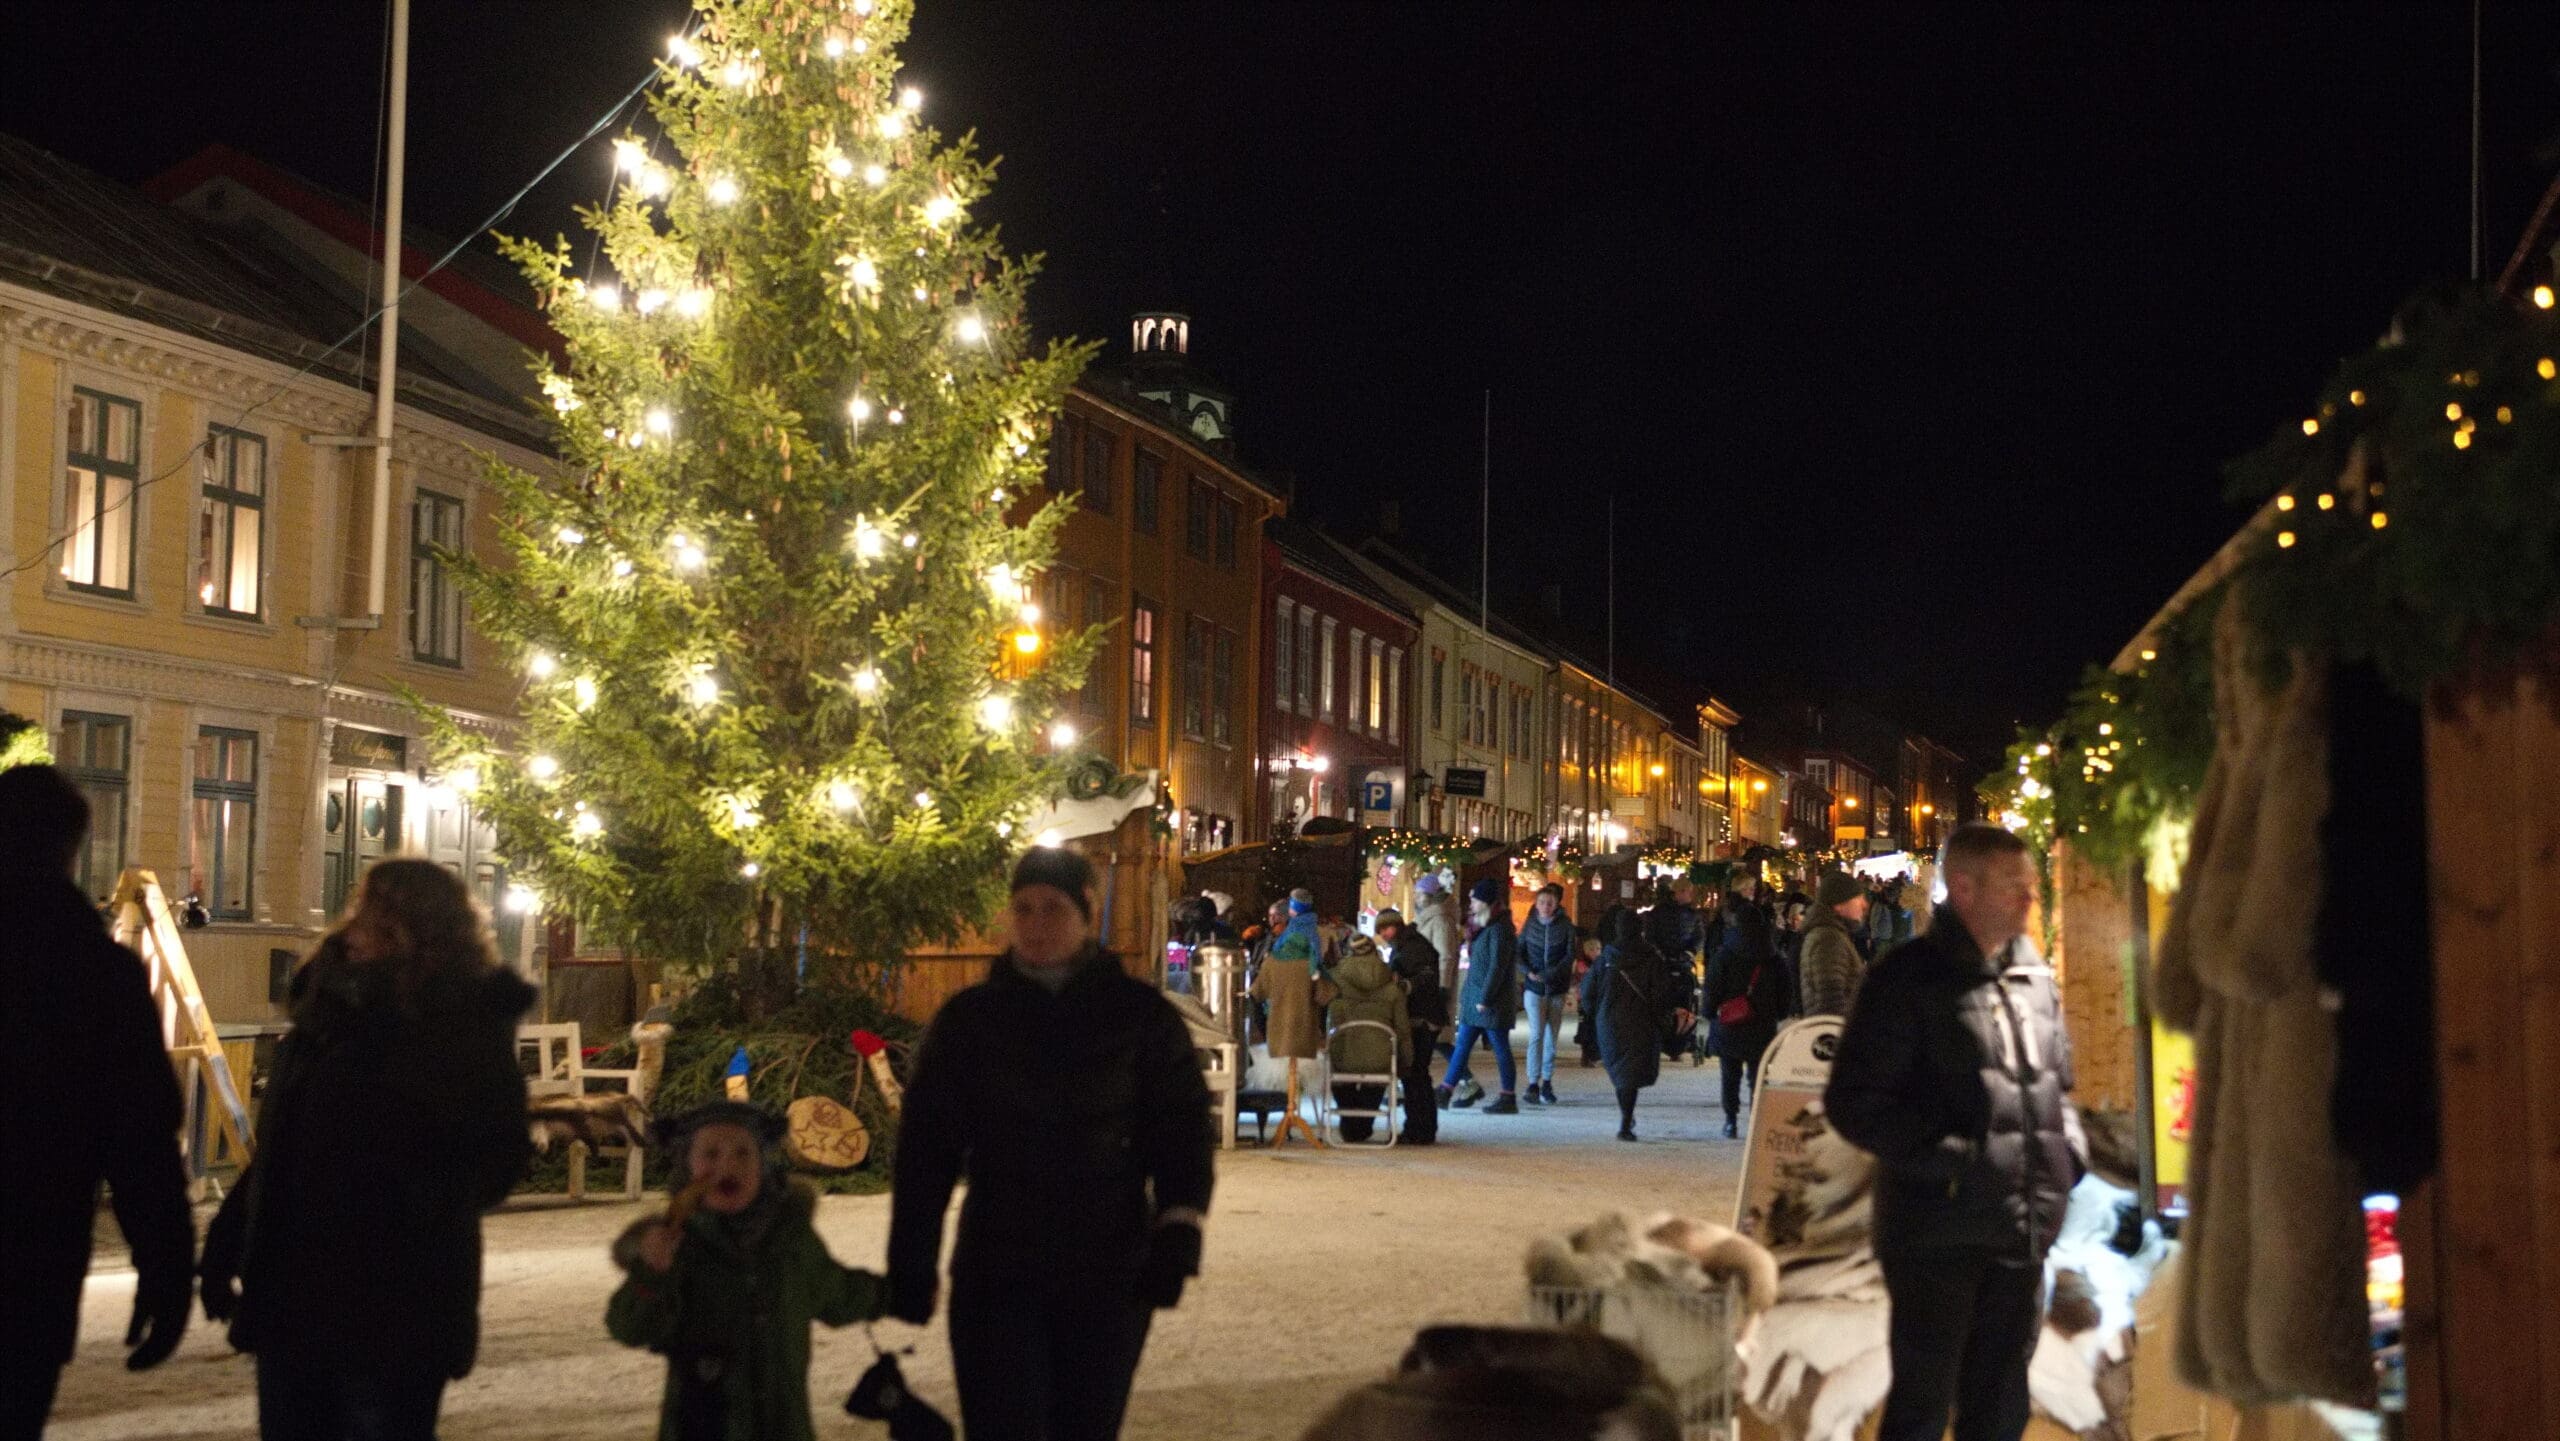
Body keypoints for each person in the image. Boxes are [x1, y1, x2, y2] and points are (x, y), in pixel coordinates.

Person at [200, 859, 534, 1440]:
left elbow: (497, 1157)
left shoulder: (462, 1026)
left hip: (399, 1305)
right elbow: (284, 1149)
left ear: (414, 931)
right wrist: (228, 1242)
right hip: (297, 1298)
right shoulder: (326, 1015)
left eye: (371, 915)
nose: (351, 928)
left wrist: (403, 1203)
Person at [888, 847, 1214, 1441]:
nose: (1036, 924)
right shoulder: (971, 1020)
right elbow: (926, 1148)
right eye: (1024, 908)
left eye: (1053, 908)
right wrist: (911, 1256)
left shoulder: (1138, 1017)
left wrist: (1179, 1228)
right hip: (999, 1264)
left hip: (1108, 1264)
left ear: (1088, 911)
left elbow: (1181, 1129)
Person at [1825, 824, 2086, 1441]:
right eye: (2014, 886)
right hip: (1935, 1232)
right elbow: (1855, 1101)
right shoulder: (1906, 979)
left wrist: (2064, 1157)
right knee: (1923, 1406)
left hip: (2020, 1227)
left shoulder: (2034, 978)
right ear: (1963, 887)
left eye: (2031, 886)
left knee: (1999, 1410)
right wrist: (1952, 1160)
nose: (2029, 898)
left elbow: (2057, 1087)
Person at [0, 765, 193, 1440]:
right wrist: (166, 1265)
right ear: (71, 847)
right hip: (30, 1259)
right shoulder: (92, 969)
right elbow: (140, 1132)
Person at [608, 1103, 884, 1440]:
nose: (727, 1164)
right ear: (687, 1168)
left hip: (783, 1426)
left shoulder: (790, 1239)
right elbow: (630, 1328)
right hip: (704, 1426)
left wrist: (898, 1293)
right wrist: (651, 1273)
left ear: (762, 1167)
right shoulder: (680, 1246)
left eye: (743, 1153)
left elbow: (837, 1291)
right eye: (711, 1153)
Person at [1588, 905, 1690, 1142]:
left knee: (1621, 1071)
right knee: (1630, 1072)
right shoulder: (1652, 957)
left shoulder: (1605, 959)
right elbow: (1663, 993)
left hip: (1610, 1022)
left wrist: (1597, 1013)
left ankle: (1626, 1118)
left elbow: (1588, 991)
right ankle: (1626, 1119)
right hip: (1642, 1022)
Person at [1702, 891, 1787, 1139]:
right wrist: (1779, 1012)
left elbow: (1712, 987)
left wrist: (1709, 1013)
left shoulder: (1725, 954)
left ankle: (1730, 1120)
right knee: (1758, 1075)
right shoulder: (1773, 956)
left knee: (1730, 1075)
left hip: (1730, 1023)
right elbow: (1785, 988)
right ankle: (1756, 1119)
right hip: (1762, 1023)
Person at [1436, 877, 1519, 1114]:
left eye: (1474, 899)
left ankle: (1508, 1096)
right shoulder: (1484, 926)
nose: (1470, 903)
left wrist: (1485, 998)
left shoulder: (1500, 929)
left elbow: (1497, 967)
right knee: (1461, 1046)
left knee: (1501, 1047)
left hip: (1490, 1002)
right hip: (1475, 1000)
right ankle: (1445, 1090)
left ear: (1485, 901)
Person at [1320, 934, 1411, 1141]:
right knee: (1376, 1076)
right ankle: (1362, 1123)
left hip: (1343, 1055)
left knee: (1340, 1075)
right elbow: (1403, 1030)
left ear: (1348, 953)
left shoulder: (1333, 982)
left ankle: (1350, 1121)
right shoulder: (1392, 987)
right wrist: (1406, 1060)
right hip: (1379, 1058)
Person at [1371, 908, 1443, 1145]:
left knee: (1416, 1075)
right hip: (1423, 1016)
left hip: (1422, 1018)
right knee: (1416, 1075)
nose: (1382, 935)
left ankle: (1420, 1129)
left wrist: (1403, 986)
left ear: (1393, 926)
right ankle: (1421, 1128)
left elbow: (1425, 978)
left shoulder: (1413, 946)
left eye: (1384, 929)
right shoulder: (1408, 944)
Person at [1515, 883, 1577, 1106]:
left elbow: (1570, 955)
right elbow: (1518, 953)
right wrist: (1528, 972)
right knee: (1537, 1035)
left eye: (1549, 903)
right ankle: (1533, 1082)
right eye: (1541, 902)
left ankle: (1547, 1081)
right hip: (1534, 989)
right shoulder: (1530, 926)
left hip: (1557, 988)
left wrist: (1552, 974)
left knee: (1552, 1037)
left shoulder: (1566, 927)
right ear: (1536, 904)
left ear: (1556, 904)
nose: (1545, 906)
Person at [1798, 871, 1871, 1018]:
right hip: (1836, 1034)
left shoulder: (1832, 934)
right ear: (1839, 905)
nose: (1864, 905)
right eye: (1858, 899)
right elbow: (1830, 1001)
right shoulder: (1828, 939)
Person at [1409, 872, 1465, 1052]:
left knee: (1435, 1034)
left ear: (1430, 895)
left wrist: (1443, 986)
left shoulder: (1440, 920)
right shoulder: (1430, 918)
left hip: (1435, 983)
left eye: (1420, 894)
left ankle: (1464, 1076)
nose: (1416, 898)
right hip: (1427, 981)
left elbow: (1445, 955)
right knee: (1431, 1035)